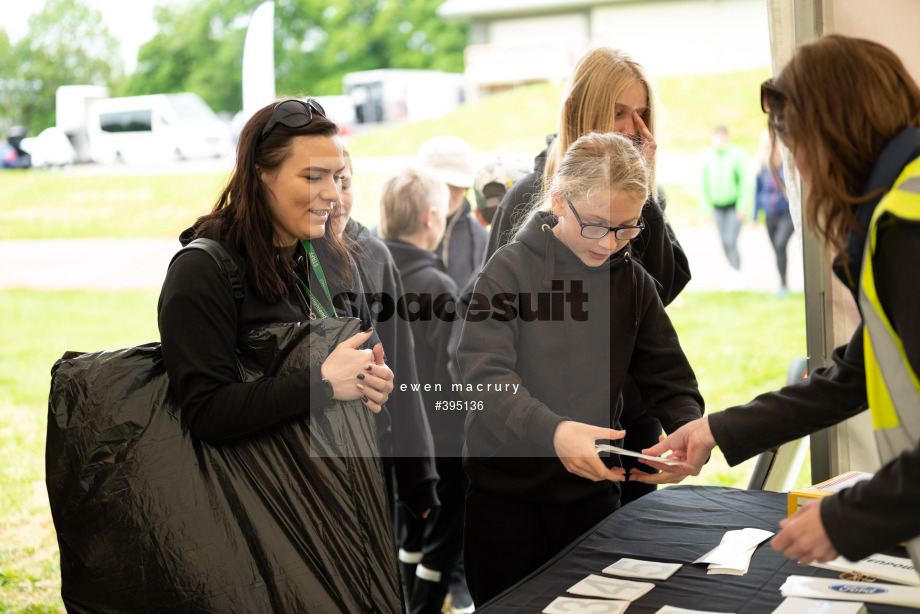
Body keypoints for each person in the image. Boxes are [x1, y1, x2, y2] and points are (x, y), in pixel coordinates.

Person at [643, 34, 920, 571]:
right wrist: (714, 430)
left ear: (830, 135)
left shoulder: (905, 230)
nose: (799, 170)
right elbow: (855, 376)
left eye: (795, 149)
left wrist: (846, 519)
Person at [158, 98, 401, 610]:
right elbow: (206, 412)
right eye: (314, 178)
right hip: (260, 528)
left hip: (337, 513)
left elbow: (340, 375)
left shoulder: (320, 257)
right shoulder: (202, 270)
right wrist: (324, 384)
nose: (333, 196)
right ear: (261, 174)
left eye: (338, 178)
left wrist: (370, 384)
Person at [458, 132, 705, 605]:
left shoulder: (633, 282)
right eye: (595, 225)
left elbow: (669, 376)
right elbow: (483, 379)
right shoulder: (505, 274)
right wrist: (554, 432)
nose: (610, 243)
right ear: (557, 200)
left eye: (627, 228)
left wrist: (686, 430)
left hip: (594, 502)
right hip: (506, 506)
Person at [483, 46, 692, 506]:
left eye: (640, 114)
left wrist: (644, 187)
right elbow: (489, 334)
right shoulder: (528, 194)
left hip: (628, 411)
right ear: (581, 110)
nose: (630, 129)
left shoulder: (643, 201)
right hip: (535, 437)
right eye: (618, 112)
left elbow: (661, 291)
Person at [329, 151, 440, 552]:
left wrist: (419, 476)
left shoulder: (374, 254)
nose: (337, 197)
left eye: (345, 181)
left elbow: (401, 367)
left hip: (375, 461)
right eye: (323, 181)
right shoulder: (289, 254)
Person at [379, 166, 468, 614]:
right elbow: (458, 368)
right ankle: (427, 607)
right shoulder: (438, 287)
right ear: (434, 218)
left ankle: (402, 599)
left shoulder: (369, 277)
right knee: (444, 539)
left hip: (391, 435)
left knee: (408, 531)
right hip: (443, 441)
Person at [417, 135, 489, 289]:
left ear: (467, 188)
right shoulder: (394, 232)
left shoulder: (481, 237)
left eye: (455, 185)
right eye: (439, 183)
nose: (446, 193)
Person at [700, 125, 750, 276]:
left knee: (730, 240)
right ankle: (734, 271)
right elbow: (703, 184)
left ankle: (737, 271)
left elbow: (745, 182)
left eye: (722, 137)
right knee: (723, 242)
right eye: (716, 136)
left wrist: (743, 206)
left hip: (734, 207)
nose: (719, 140)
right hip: (718, 207)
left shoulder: (737, 155)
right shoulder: (707, 156)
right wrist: (706, 209)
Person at [753, 127, 795, 296]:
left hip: (786, 213)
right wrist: (755, 216)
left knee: (780, 243)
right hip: (770, 215)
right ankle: (783, 283)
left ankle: (784, 283)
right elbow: (757, 191)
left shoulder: (785, 164)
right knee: (777, 249)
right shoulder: (761, 166)